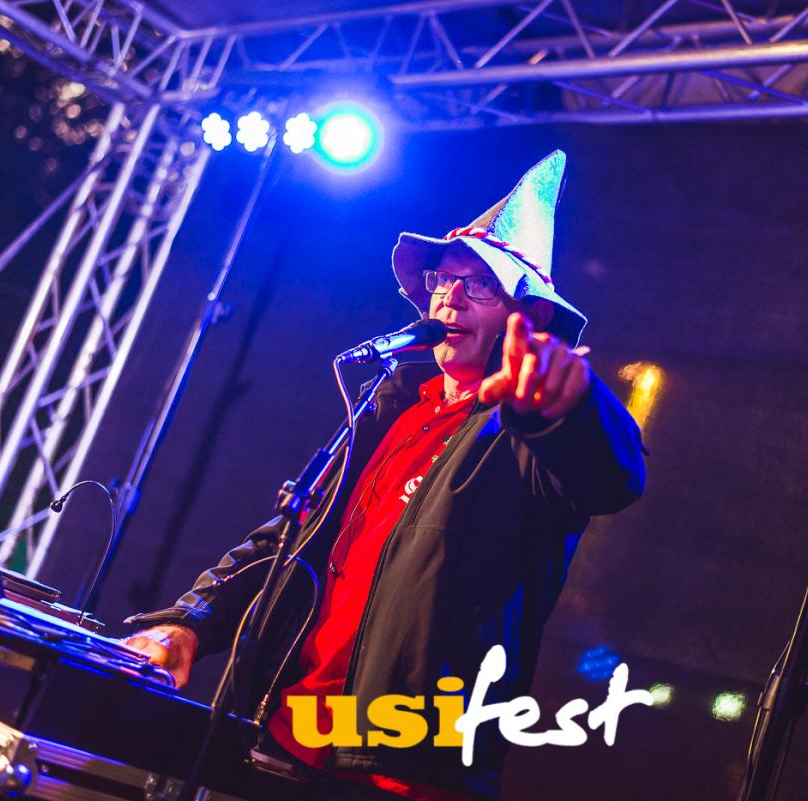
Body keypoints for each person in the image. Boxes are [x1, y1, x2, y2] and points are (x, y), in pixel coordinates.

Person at [124, 151, 646, 801]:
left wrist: (567, 407)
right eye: (442, 279)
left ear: (530, 318)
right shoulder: (390, 407)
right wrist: (189, 622)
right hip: (277, 738)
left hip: (394, 774)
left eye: (480, 284)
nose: (450, 296)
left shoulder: (527, 435)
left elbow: (612, 476)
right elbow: (288, 543)